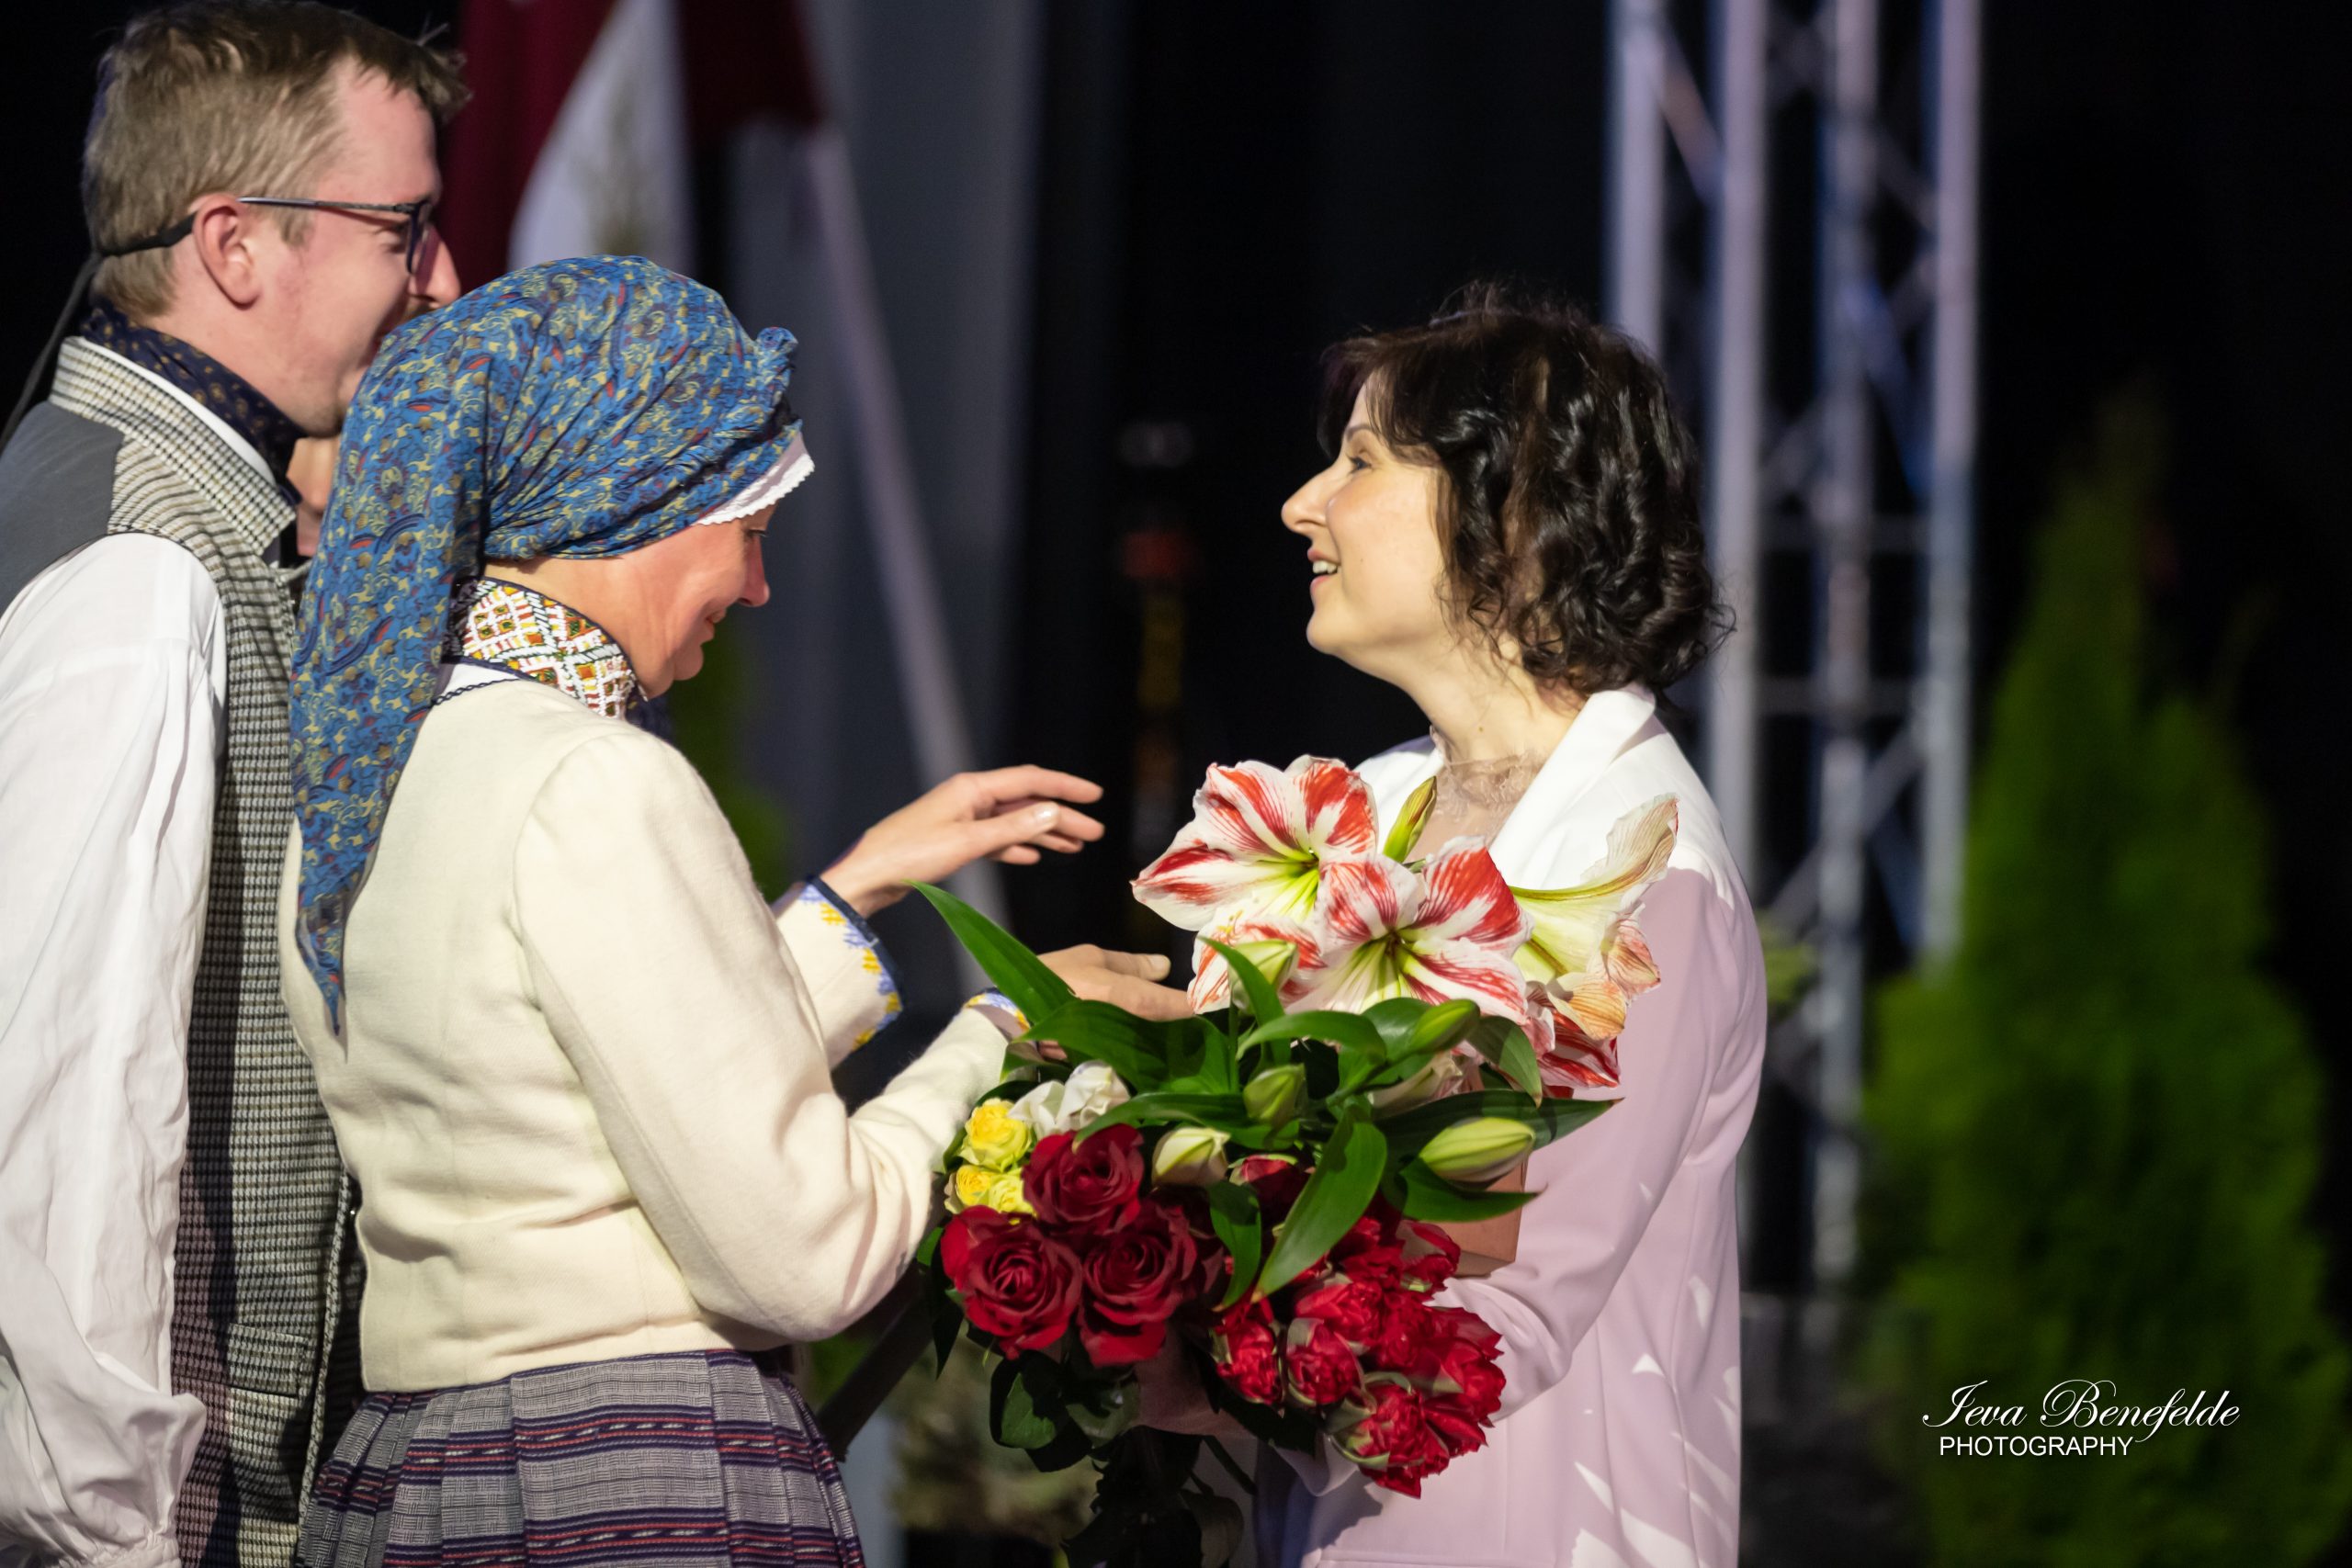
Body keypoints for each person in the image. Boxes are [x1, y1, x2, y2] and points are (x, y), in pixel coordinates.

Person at [276, 255, 1183, 1566]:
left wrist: (857, 885)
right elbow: (808, 1256)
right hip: (624, 1479)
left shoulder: (365, 776)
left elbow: (579, 1080)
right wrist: (1000, 1035)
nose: (757, 585)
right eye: (748, 527)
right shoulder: (597, 778)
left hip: (412, 1473)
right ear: (636, 500)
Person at [1145, 285, 1767, 1568]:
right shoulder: (1367, 809)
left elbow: (1509, 1315)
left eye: (1362, 462)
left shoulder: (1640, 869)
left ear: (1516, 512)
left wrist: (1181, 1343)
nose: (1302, 504)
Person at [0, 8, 469, 1565]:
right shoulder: (146, 565)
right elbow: (66, 1107)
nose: (434, 278)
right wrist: (113, 1533)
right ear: (234, 245)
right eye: (401, 228)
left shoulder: (145, 504)